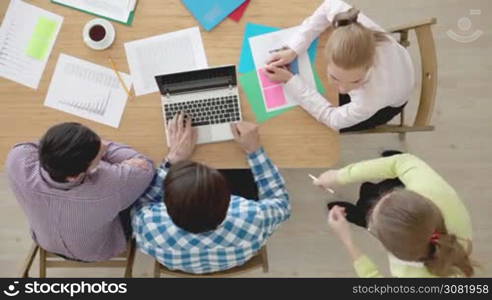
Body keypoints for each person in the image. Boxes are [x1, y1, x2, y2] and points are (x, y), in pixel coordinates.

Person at [132, 113, 290, 274]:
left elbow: (141, 201)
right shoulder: (253, 218)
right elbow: (281, 202)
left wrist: (174, 159)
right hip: (234, 254)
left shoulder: (149, 227)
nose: (206, 163)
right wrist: (255, 151)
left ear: (166, 205)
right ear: (228, 199)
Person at [6, 122, 154, 262]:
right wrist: (109, 150)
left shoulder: (17, 160)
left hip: (45, 242)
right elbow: (145, 166)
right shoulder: (109, 184)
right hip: (99, 251)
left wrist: (78, 144)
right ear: (75, 176)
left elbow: (46, 145)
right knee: (146, 192)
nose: (103, 145)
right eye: (98, 156)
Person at [313, 153, 474, 277]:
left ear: (391, 250)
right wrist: (339, 176)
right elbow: (401, 161)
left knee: (367, 196)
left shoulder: (405, 274)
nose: (382, 196)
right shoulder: (432, 188)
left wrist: (347, 240)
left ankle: (360, 215)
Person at [264, 0, 415, 132]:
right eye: (335, 77)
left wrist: (290, 81)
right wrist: (293, 49)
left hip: (390, 104)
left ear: (370, 66)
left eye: (356, 80)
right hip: (400, 64)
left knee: (315, 126)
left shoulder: (369, 100)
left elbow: (333, 120)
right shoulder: (355, 28)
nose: (343, 89)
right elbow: (329, 4)